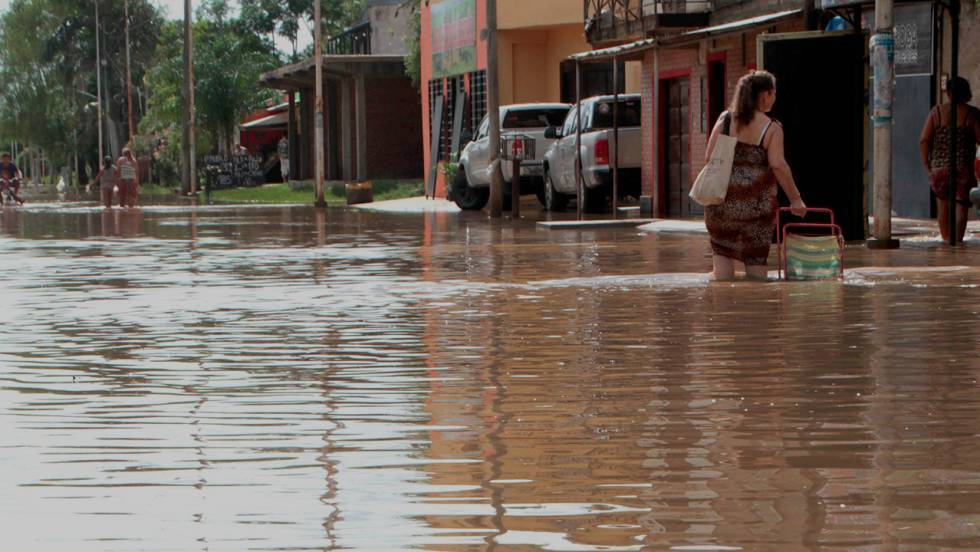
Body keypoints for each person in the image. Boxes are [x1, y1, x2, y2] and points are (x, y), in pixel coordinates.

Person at [703, 71, 806, 281]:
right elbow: (778, 165)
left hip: (721, 204)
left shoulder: (726, 119)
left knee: (722, 263)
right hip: (757, 210)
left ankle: (722, 310)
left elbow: (709, 157)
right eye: (774, 93)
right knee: (756, 263)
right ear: (766, 95)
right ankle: (757, 310)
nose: (774, 98)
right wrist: (796, 199)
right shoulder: (772, 128)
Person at [919, 76, 980, 243]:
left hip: (939, 169)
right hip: (963, 169)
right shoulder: (972, 114)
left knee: (943, 205)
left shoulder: (936, 112)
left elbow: (924, 140)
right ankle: (957, 241)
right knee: (961, 205)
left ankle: (946, 240)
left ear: (948, 92)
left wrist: (928, 164)